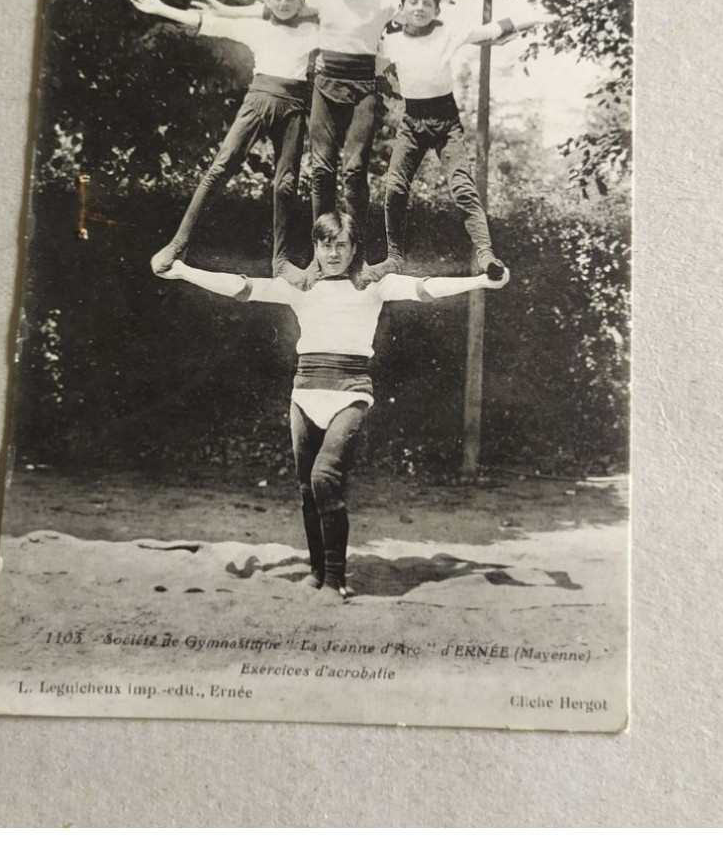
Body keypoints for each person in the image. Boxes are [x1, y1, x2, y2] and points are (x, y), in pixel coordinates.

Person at [152, 211, 509, 599]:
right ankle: (317, 570)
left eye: (341, 245)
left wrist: (480, 282)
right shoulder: (299, 287)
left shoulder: (374, 285)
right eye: (326, 244)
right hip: (304, 393)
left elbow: (424, 289)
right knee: (308, 488)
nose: (333, 253)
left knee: (325, 478)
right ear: (316, 247)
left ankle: (336, 579)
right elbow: (243, 288)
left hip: (351, 390)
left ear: (354, 248)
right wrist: (184, 272)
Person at [199, 0, 398, 257]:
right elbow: (276, 8)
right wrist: (226, 11)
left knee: (355, 169)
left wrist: (388, 57)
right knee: (321, 170)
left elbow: (417, 15)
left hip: (363, 86)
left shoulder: (383, 0)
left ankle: (356, 255)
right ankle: (323, 253)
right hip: (326, 84)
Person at [130, 0, 318, 280]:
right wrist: (162, 8)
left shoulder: (313, 30)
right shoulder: (256, 26)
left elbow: (347, 34)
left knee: (286, 184)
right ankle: (178, 244)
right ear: (268, 0)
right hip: (258, 100)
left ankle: (281, 261)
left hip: (293, 108)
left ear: (301, 2)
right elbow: (206, 21)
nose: (284, 4)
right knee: (220, 168)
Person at [376, 0, 548, 279]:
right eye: (413, 3)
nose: (420, 8)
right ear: (402, 9)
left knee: (462, 187)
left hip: (445, 121)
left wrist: (533, 19)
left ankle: (485, 253)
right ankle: (393, 257)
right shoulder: (390, 42)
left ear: (437, 11)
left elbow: (489, 31)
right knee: (394, 187)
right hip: (412, 120)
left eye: (427, 4)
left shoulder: (447, 32)